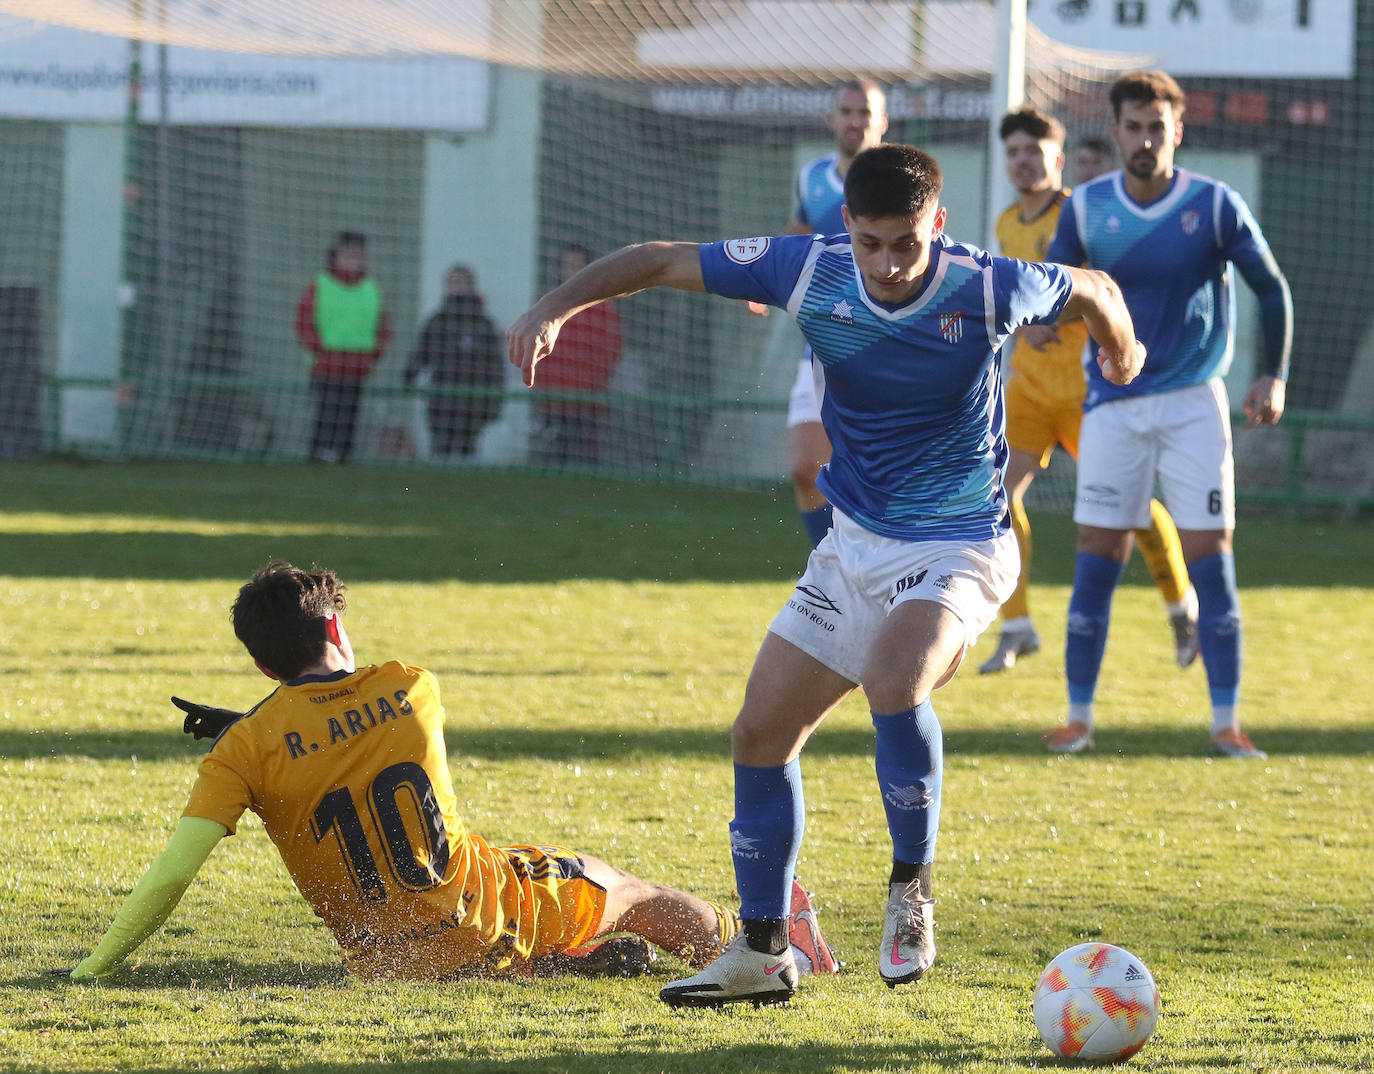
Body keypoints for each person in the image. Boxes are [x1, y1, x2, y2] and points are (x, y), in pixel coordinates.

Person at [507, 143, 1145, 1007]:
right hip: (853, 547)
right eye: (873, 242)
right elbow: (658, 260)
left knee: (894, 677)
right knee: (759, 735)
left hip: (959, 542)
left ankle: (910, 894)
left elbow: (1098, 291)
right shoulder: (806, 267)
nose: (888, 264)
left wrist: (1122, 350)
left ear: (939, 227)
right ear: (847, 226)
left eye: (907, 244)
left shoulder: (989, 283)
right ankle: (763, 952)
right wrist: (555, 306)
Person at [65, 562, 837, 984]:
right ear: (336, 627)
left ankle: (555, 972)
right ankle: (767, 946)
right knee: (626, 889)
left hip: (387, 963)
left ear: (262, 664)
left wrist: (96, 966)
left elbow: (172, 875)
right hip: (487, 908)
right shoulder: (410, 685)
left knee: (486, 950)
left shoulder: (244, 752)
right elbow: (346, 721)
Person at [1044, 70, 1293, 759]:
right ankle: (1078, 719)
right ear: (1116, 129)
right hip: (1112, 407)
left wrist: (1272, 375)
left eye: (1158, 127)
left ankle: (1226, 723)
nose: (1146, 139)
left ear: (1177, 131)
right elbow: (1055, 290)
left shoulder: (1213, 205)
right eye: (1134, 126)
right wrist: (1038, 323)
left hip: (1193, 405)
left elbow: (1271, 289)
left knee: (1209, 561)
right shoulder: (1088, 209)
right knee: (1098, 558)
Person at [981, 107, 1197, 675]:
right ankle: (1017, 626)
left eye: (1034, 149)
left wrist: (1059, 318)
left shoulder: (1084, 214)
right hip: (1027, 390)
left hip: (1085, 392)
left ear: (1059, 155)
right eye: (1014, 152)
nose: (1023, 160)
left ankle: (1182, 607)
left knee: (1134, 510)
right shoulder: (1006, 222)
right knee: (998, 498)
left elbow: (1104, 294)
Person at [778, 76, 888, 547]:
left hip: (884, 348)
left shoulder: (899, 178)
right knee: (806, 470)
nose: (855, 121)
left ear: (883, 121)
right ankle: (831, 571)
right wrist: (760, 281)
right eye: (847, 112)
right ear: (831, 120)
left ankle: (890, 581)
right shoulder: (813, 177)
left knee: (876, 481)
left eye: (865, 112)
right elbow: (797, 232)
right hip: (821, 345)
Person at [295, 232, 390, 463]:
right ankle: (319, 457)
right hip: (326, 365)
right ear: (334, 257)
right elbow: (304, 321)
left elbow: (383, 326)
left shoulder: (371, 289)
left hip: (357, 366)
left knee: (349, 415)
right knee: (327, 413)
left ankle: (341, 458)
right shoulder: (320, 285)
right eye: (346, 255)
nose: (351, 261)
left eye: (357, 256)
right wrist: (318, 349)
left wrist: (374, 354)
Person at [532, 243, 623, 466]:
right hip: (553, 401)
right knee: (554, 465)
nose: (571, 271)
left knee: (585, 465)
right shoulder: (549, 306)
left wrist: (588, 386)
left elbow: (610, 353)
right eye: (567, 265)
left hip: (587, 403)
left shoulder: (602, 310)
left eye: (577, 266)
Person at [404, 265, 504, 460]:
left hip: (472, 403)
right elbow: (421, 353)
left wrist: (494, 401)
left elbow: (495, 365)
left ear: (471, 286)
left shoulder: (483, 324)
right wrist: (409, 374)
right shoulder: (436, 322)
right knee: (440, 453)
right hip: (441, 401)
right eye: (452, 282)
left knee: (467, 454)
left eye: (461, 282)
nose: (456, 287)